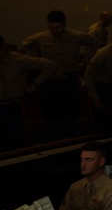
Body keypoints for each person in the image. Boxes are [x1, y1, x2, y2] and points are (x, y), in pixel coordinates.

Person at [22, 10, 99, 139]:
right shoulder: (41, 37)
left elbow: (95, 42)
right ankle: (52, 145)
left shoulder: (75, 36)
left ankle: (69, 145)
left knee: (70, 116)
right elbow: (26, 44)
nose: (55, 31)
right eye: (52, 27)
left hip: (68, 80)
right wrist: (35, 60)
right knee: (50, 117)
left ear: (64, 24)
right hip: (49, 81)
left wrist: (85, 60)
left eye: (58, 27)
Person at [0, 35, 57, 152]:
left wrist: (34, 84)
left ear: (4, 48)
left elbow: (50, 65)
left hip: (14, 105)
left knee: (16, 138)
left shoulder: (19, 59)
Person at [57, 141, 112, 210]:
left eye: (89, 160)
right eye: (82, 159)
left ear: (101, 162)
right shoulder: (75, 187)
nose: (83, 164)